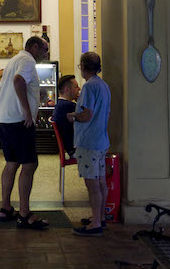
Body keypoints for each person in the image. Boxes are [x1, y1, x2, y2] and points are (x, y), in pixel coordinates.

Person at [0, 36, 50, 229]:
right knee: (29, 164)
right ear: (34, 47)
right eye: (45, 49)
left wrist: (36, 94)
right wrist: (27, 111)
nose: (46, 54)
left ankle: (5, 208)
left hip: (4, 119)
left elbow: (1, 91)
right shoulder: (28, 60)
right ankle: (25, 214)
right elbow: (19, 81)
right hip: (19, 122)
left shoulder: (13, 60)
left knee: (12, 163)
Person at [67, 51, 111, 237]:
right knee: (100, 181)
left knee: (92, 184)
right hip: (101, 140)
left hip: (88, 142)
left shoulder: (88, 87)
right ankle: (99, 218)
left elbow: (86, 115)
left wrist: (73, 116)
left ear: (83, 66)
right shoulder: (103, 85)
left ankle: (95, 224)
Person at [52, 74, 80, 158]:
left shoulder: (59, 105)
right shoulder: (69, 106)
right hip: (75, 149)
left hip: (68, 148)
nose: (79, 89)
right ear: (67, 90)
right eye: (76, 87)